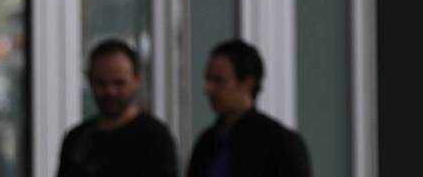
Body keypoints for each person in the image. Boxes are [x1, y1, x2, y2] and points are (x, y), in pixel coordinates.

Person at [187, 40, 311, 177]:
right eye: (208, 80)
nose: (208, 89)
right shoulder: (206, 144)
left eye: (218, 80)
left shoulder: (280, 145)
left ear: (247, 84)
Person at [57, 39, 180, 177]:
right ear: (90, 81)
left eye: (119, 83)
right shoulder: (76, 140)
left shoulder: (154, 139)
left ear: (136, 80)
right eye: (101, 83)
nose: (110, 91)